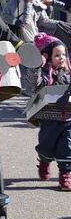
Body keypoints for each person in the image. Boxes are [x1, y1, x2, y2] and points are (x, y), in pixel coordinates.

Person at [3, 0, 59, 94]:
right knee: (20, 61)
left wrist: (59, 24)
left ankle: (30, 86)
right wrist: (15, 21)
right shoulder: (14, 2)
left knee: (32, 62)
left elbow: (44, 21)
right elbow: (5, 16)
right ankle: (21, 85)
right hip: (18, 37)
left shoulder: (36, 4)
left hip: (34, 37)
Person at [33, 33, 71, 191]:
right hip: (49, 118)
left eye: (63, 54)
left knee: (67, 147)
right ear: (47, 57)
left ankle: (65, 175)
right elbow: (34, 86)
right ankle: (44, 161)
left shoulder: (68, 73)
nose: (61, 58)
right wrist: (38, 67)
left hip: (68, 118)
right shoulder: (44, 74)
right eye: (57, 55)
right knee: (46, 147)